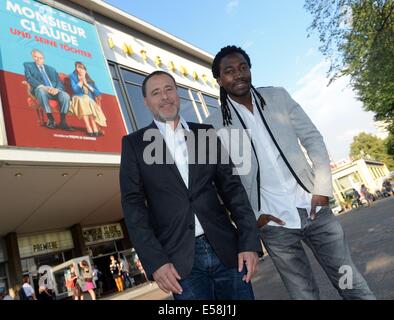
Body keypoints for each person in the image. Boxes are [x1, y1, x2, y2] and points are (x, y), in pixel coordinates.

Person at [206, 45, 375, 300]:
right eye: (229, 71)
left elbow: (313, 139)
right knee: (303, 295)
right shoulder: (214, 125)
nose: (238, 74)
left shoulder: (277, 97)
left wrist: (321, 189)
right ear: (219, 79)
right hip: (274, 224)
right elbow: (219, 183)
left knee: (348, 280)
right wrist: (254, 216)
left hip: (314, 208)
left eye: (243, 67)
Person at [119, 70, 261, 300]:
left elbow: (233, 190)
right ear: (146, 102)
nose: (165, 97)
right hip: (180, 264)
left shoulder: (204, 134)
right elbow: (133, 208)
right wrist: (156, 262)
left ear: (177, 94)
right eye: (156, 93)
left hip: (229, 252)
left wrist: (249, 243)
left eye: (169, 89)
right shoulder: (134, 144)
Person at [23, 49, 73, 131]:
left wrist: (57, 89)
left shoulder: (51, 69)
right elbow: (29, 78)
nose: (38, 59)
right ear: (33, 57)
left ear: (43, 58)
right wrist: (42, 86)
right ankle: (50, 118)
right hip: (41, 89)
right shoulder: (28, 65)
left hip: (54, 90)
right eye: (35, 57)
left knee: (65, 96)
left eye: (40, 57)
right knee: (41, 91)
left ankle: (63, 121)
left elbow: (59, 82)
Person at [69, 61, 107, 137]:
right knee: (83, 100)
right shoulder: (72, 77)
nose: (79, 69)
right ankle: (88, 126)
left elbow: (98, 93)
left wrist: (86, 84)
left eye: (81, 68)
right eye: (77, 67)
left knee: (87, 100)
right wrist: (81, 81)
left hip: (89, 100)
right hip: (77, 97)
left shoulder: (90, 81)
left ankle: (93, 124)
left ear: (85, 70)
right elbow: (75, 90)